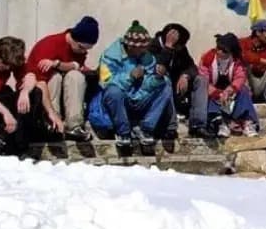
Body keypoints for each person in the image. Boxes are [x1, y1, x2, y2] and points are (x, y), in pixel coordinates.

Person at [88, 21, 171, 149]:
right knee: (114, 91)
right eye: (141, 48)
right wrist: (130, 77)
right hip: (118, 102)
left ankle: (146, 128)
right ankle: (123, 132)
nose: (144, 51)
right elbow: (106, 82)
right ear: (131, 46)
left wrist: (157, 78)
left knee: (165, 84)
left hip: (138, 99)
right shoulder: (110, 56)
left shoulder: (147, 57)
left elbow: (147, 85)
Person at [27, 15, 99, 141]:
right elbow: (40, 83)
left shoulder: (77, 50)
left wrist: (57, 64)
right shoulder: (49, 45)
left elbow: (77, 66)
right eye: (82, 48)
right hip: (40, 92)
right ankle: (52, 123)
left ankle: (74, 125)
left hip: (64, 93)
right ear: (75, 40)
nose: (84, 53)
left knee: (76, 76)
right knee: (54, 77)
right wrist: (52, 114)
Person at [193, 33, 261, 137]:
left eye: (224, 50)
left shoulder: (237, 61)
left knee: (243, 90)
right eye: (218, 48)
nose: (219, 51)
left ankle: (248, 122)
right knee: (209, 98)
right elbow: (204, 78)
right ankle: (220, 123)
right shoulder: (208, 58)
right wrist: (218, 93)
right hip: (213, 92)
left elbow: (240, 78)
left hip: (230, 93)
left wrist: (229, 91)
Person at [152, 23, 197, 138]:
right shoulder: (152, 46)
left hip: (177, 90)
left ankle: (198, 125)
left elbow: (191, 66)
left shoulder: (181, 49)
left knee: (200, 80)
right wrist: (168, 47)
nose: (180, 49)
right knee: (165, 80)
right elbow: (158, 69)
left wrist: (185, 75)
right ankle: (170, 127)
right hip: (156, 91)